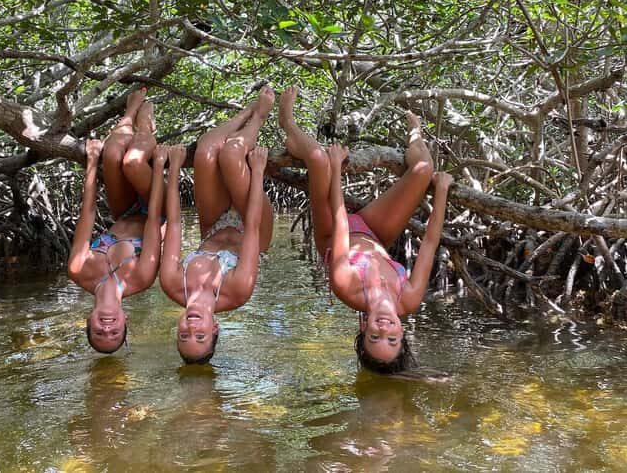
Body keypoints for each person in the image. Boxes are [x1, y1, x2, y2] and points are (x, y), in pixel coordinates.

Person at [278, 86, 452, 375]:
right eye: (391, 339)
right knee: (424, 169)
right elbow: (431, 243)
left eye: (374, 337)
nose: (383, 330)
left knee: (320, 160)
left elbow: (340, 222)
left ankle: (288, 124)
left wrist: (336, 168)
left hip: (332, 232)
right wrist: (442, 190)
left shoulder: (347, 287)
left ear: (363, 327)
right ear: (402, 333)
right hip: (374, 233)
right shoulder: (408, 298)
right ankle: (415, 131)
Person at [160, 88, 275, 364]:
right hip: (253, 224)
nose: (191, 328)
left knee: (205, 151)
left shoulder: (171, 283)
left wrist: (174, 168)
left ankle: (246, 112)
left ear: (177, 329)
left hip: (215, 223)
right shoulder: (238, 291)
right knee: (232, 154)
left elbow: (174, 223)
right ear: (214, 329)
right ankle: (259, 116)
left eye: (184, 336)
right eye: (200, 336)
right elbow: (253, 227)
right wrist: (258, 172)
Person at [67, 89, 166, 354]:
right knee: (132, 163)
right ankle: (145, 127)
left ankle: (130, 112)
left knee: (111, 154)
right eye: (114, 332)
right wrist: (158, 167)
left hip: (125, 211)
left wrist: (91, 161)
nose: (107, 327)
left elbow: (88, 213)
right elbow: (154, 220)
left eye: (99, 332)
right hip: (159, 208)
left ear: (88, 322)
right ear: (126, 321)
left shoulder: (78, 270)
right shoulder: (141, 279)